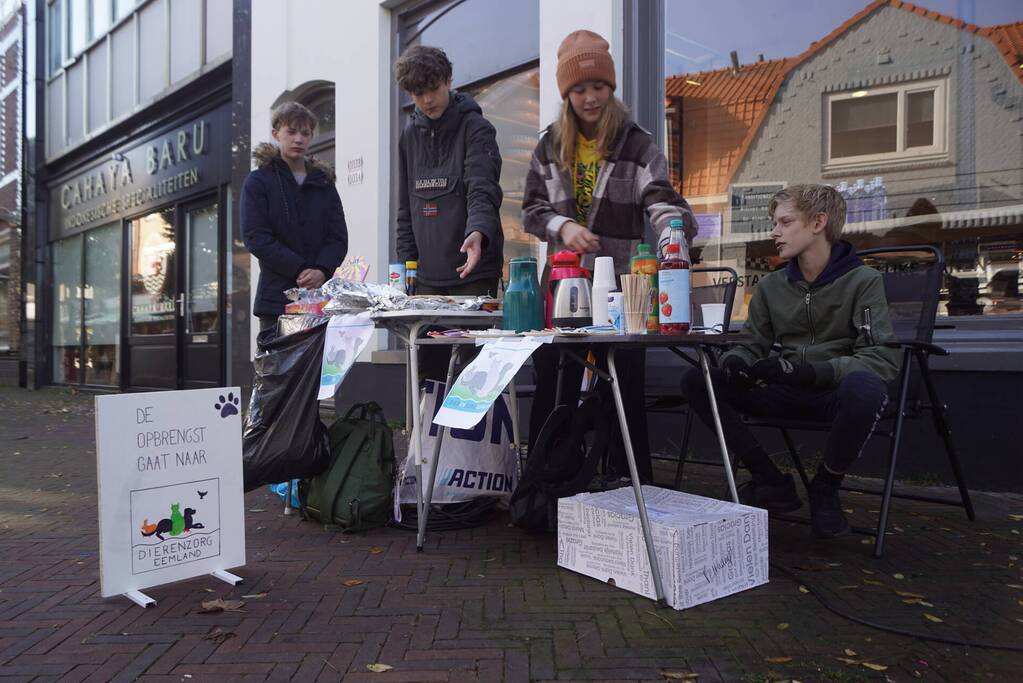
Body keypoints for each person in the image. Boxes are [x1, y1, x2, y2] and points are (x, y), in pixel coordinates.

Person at [522, 29, 696, 483]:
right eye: (579, 88)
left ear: (611, 88)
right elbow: (531, 211)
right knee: (553, 382)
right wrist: (564, 227)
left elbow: (662, 201)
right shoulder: (548, 145)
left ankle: (630, 484)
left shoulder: (637, 144)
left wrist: (673, 235)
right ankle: (547, 485)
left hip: (623, 290)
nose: (590, 97)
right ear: (567, 94)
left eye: (598, 86)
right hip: (562, 287)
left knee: (623, 385)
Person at [680, 184, 900, 538]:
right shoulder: (771, 287)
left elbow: (881, 358)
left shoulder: (864, 281)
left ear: (818, 223)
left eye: (784, 222)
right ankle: (769, 480)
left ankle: (825, 487)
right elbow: (753, 344)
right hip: (785, 388)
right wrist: (737, 361)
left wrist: (813, 371)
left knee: (867, 387)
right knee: (698, 380)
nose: (774, 232)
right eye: (774, 223)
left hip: (832, 393)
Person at [394, 45, 504, 380]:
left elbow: (482, 187)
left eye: (433, 88)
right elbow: (406, 207)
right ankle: (429, 419)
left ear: (449, 80)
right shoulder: (408, 137)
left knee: (473, 375)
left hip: (472, 273)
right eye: (418, 93)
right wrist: (405, 268)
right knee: (428, 375)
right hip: (426, 279)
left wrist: (477, 232)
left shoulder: (476, 128)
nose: (428, 100)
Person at [241, 102, 348, 332]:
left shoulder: (324, 183)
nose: (298, 139)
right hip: (276, 301)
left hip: (320, 300)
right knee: (276, 358)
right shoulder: (258, 182)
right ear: (276, 134)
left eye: (305, 133)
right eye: (291, 132)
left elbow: (338, 237)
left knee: (319, 358)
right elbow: (256, 237)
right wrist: (298, 269)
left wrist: (321, 270)